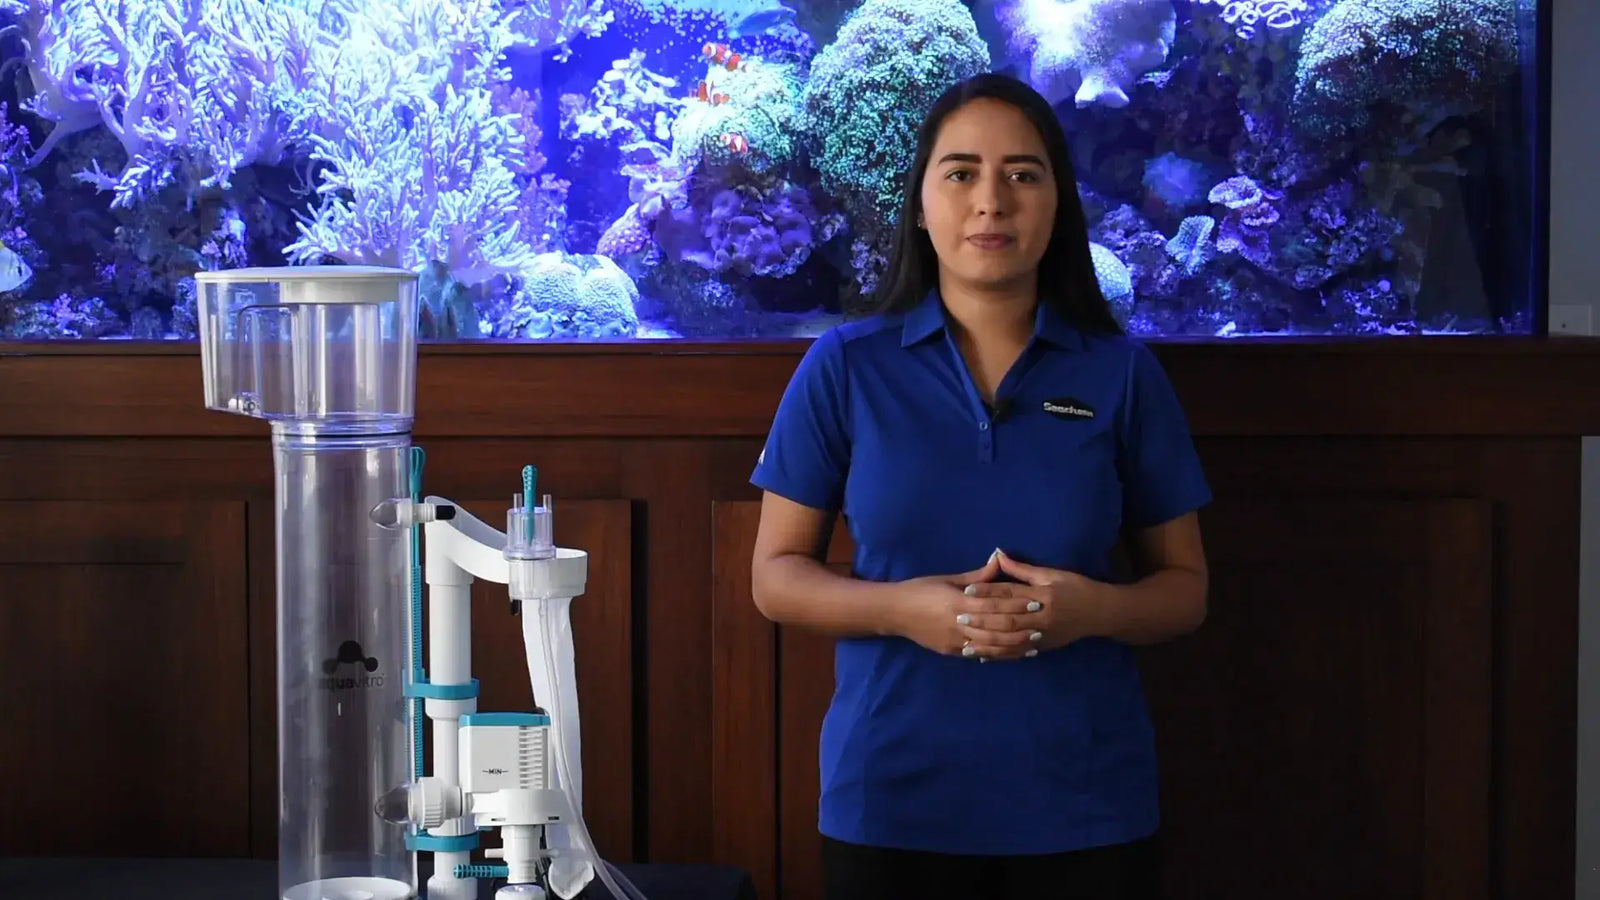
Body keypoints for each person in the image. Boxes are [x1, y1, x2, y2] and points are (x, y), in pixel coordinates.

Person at [747, 72, 1211, 900]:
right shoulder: (845, 367)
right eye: (960, 173)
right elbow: (775, 578)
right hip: (891, 801)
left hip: (1087, 805)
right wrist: (905, 610)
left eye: (1022, 174)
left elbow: (1185, 590)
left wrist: (1089, 612)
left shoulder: (1123, 375)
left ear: (1058, 205)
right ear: (921, 207)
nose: (991, 201)